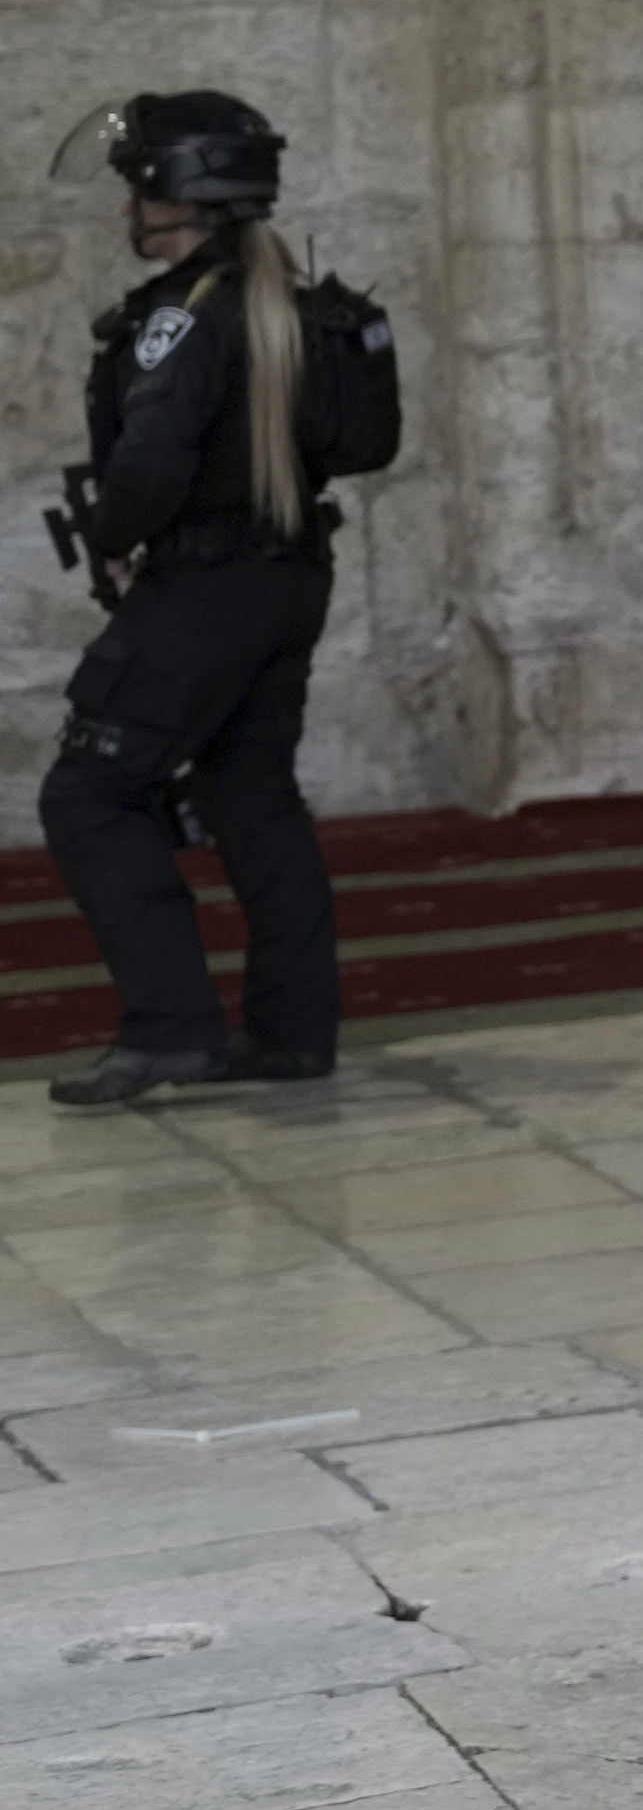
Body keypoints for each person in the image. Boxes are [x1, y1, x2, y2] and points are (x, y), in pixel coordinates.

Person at [39, 94, 366, 1103]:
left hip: (206, 588)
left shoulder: (181, 314)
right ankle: (292, 1034)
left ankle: (171, 1031)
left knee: (88, 795)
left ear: (173, 194)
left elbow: (150, 458)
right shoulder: (286, 296)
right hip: (289, 577)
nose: (125, 208)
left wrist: (118, 543)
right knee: (248, 793)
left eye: (135, 185)